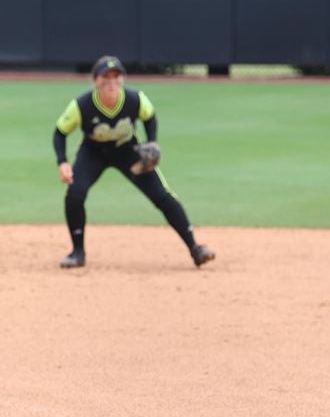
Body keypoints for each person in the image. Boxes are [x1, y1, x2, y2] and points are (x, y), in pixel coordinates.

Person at [52, 55, 215, 269]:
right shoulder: (82, 105)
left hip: (127, 150)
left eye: (116, 76)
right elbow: (60, 132)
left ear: (122, 79)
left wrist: (152, 142)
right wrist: (63, 162)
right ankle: (77, 252)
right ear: (95, 80)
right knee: (75, 194)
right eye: (105, 77)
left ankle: (195, 248)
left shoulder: (135, 99)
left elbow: (149, 116)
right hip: (93, 151)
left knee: (162, 196)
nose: (111, 81)